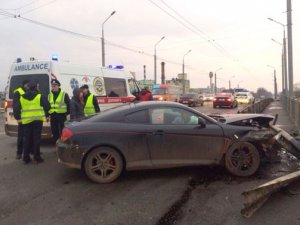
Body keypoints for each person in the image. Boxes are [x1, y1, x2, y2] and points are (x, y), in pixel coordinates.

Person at [14, 80, 50, 164]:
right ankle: (37, 157)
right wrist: (47, 115)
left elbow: (16, 108)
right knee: (36, 139)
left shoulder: (22, 97)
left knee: (27, 139)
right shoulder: (40, 96)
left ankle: (26, 157)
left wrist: (18, 118)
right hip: (37, 121)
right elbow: (47, 106)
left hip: (26, 121)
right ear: (36, 87)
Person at [13, 80, 30, 159]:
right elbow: (16, 106)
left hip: (29, 118)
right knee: (21, 136)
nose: (28, 86)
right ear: (24, 84)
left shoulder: (28, 91)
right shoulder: (18, 92)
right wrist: (18, 117)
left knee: (29, 136)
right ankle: (19, 153)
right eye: (27, 85)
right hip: (22, 118)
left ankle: (31, 151)